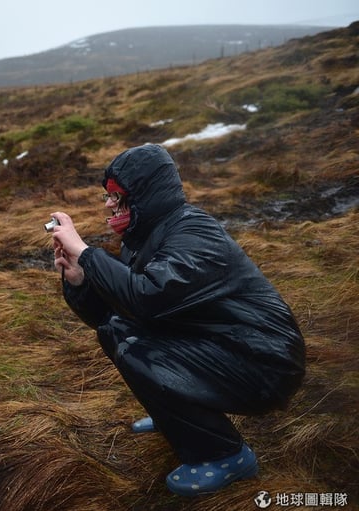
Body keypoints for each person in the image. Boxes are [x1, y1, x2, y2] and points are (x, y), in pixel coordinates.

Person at [50, 143, 306, 497]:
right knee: (116, 332)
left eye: (116, 195)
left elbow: (146, 299)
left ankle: (225, 456)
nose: (108, 204)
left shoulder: (193, 233)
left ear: (144, 193)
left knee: (136, 346)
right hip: (224, 346)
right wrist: (79, 277)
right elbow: (110, 315)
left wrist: (87, 252)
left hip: (266, 363)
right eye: (107, 195)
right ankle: (180, 420)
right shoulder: (144, 238)